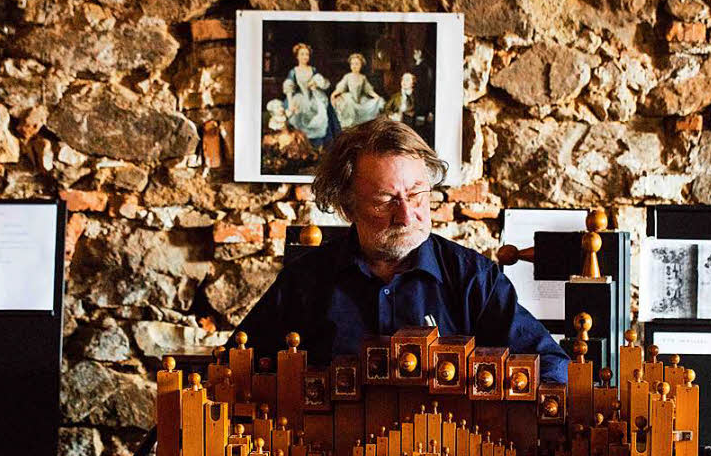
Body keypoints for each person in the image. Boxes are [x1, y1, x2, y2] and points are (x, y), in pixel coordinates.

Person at [235, 117, 569, 383]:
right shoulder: (305, 281)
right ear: (347, 208)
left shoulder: (473, 278)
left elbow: (554, 367)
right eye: (385, 200)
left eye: (416, 194)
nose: (407, 215)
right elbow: (235, 367)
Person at [283, 43, 339, 147]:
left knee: (322, 110)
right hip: (299, 98)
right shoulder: (294, 71)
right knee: (296, 114)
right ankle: (301, 144)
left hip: (313, 97)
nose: (305, 57)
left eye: (307, 54)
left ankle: (318, 144)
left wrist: (316, 84)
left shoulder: (313, 70)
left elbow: (323, 83)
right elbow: (289, 86)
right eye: (302, 54)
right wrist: (290, 103)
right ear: (297, 56)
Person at [330, 53, 384, 129]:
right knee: (348, 102)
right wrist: (334, 94)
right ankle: (349, 126)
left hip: (359, 100)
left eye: (357, 64)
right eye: (352, 64)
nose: (354, 66)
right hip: (349, 99)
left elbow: (368, 89)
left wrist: (376, 96)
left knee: (378, 101)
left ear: (361, 65)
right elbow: (341, 87)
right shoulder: (348, 76)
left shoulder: (362, 77)